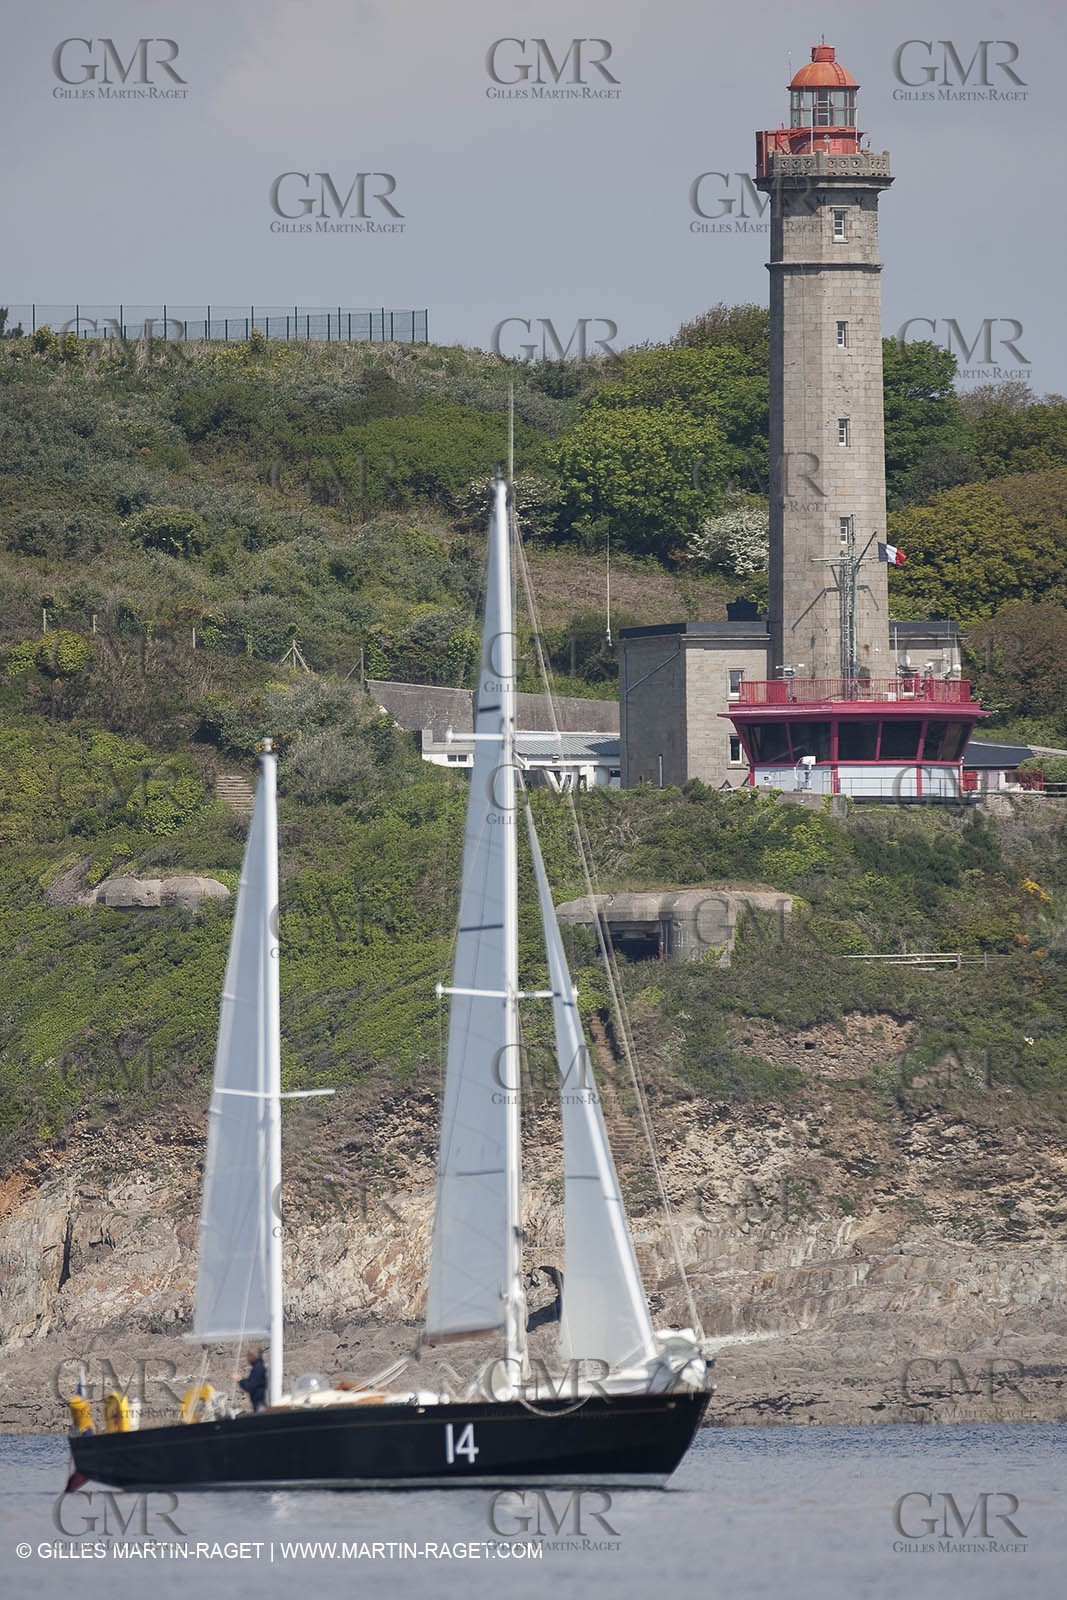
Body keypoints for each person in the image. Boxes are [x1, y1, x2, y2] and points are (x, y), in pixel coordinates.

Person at [238, 1347, 268, 1412]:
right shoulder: (259, 1366)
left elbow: (251, 1386)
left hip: (260, 1402)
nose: (247, 1358)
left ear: (253, 1356)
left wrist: (240, 1380)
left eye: (248, 1355)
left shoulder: (258, 1368)